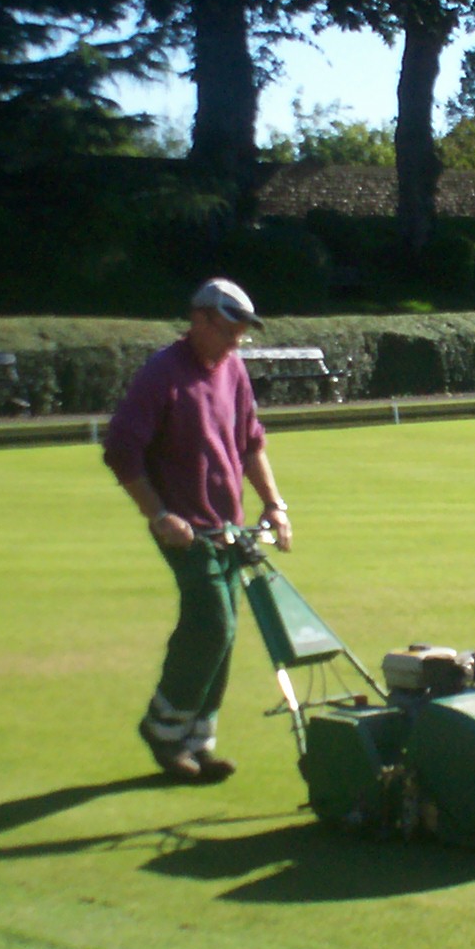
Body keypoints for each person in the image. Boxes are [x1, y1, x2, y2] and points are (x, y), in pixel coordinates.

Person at [101, 278, 293, 783]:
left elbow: (251, 442)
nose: (237, 340)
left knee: (224, 632)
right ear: (200, 319)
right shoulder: (161, 374)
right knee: (213, 624)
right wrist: (158, 515)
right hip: (184, 528)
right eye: (230, 329)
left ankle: (198, 740)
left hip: (228, 525)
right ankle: (164, 730)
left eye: (243, 332)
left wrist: (274, 504)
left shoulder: (233, 370)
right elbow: (121, 450)